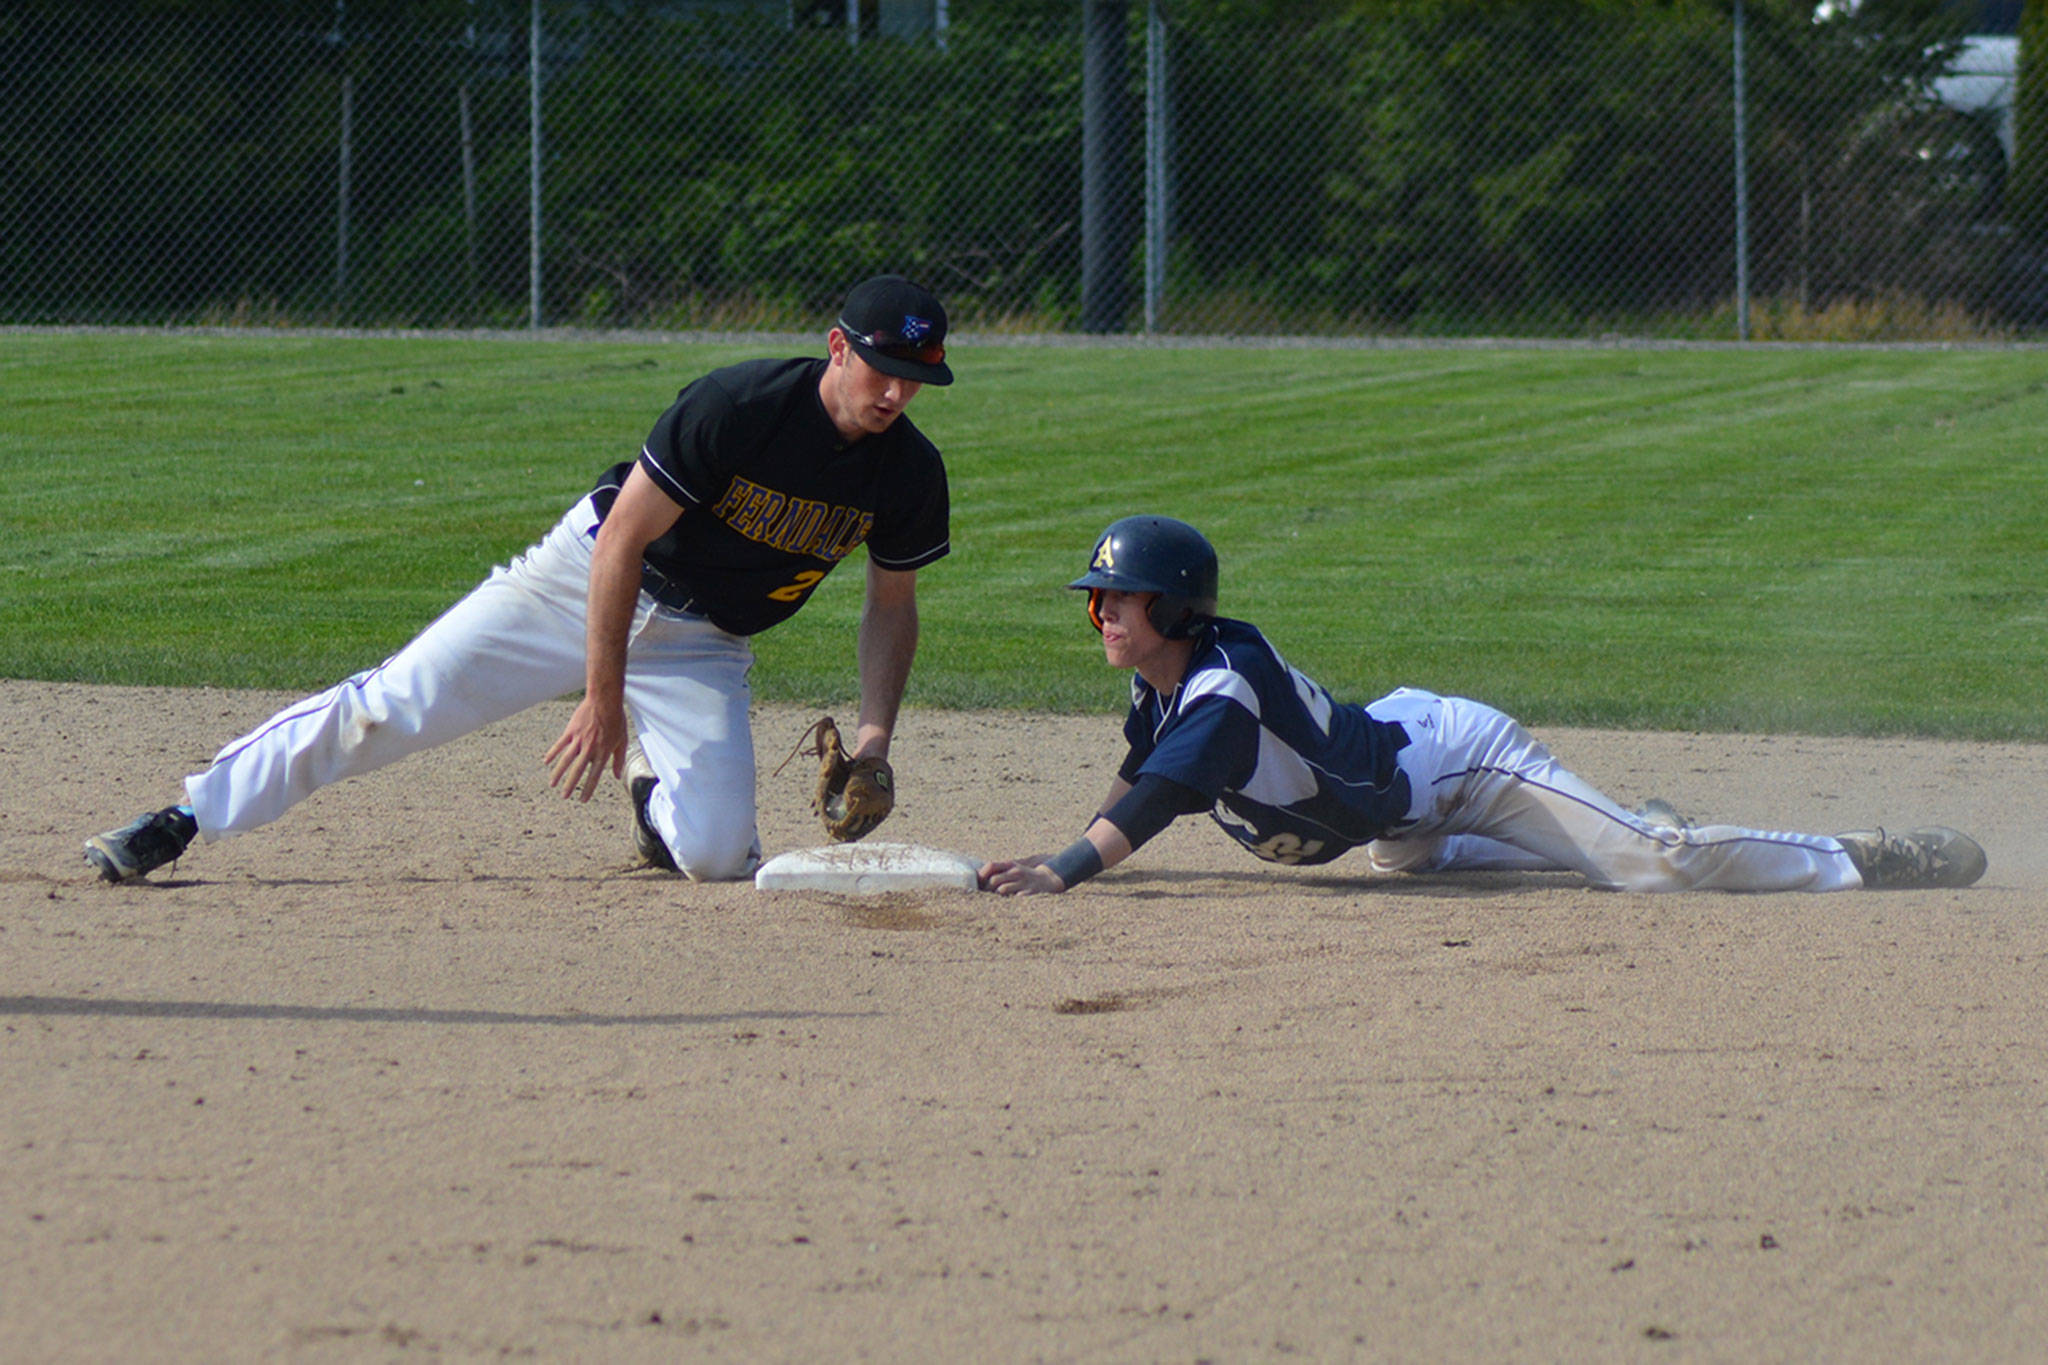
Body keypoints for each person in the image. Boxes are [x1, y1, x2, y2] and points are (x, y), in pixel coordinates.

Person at [85, 274, 955, 884]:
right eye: (883, 371)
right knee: (394, 703)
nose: (895, 396)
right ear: (836, 347)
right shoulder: (739, 407)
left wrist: (875, 741)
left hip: (704, 642)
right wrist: (602, 695)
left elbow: (891, 606)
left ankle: (651, 794)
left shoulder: (910, 472)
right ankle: (186, 816)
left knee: (721, 858)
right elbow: (620, 543)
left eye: (915, 381)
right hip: (581, 580)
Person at [978, 515, 1988, 897]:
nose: (1103, 608)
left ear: (1177, 606)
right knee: (1440, 862)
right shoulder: (1162, 690)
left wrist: (1068, 868)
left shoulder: (1219, 683)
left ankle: (1856, 855)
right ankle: (1631, 823)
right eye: (1097, 597)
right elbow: (1135, 769)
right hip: (1401, 824)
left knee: (1647, 869)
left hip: (1460, 767)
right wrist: (1069, 844)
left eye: (1121, 594)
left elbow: (1153, 800)